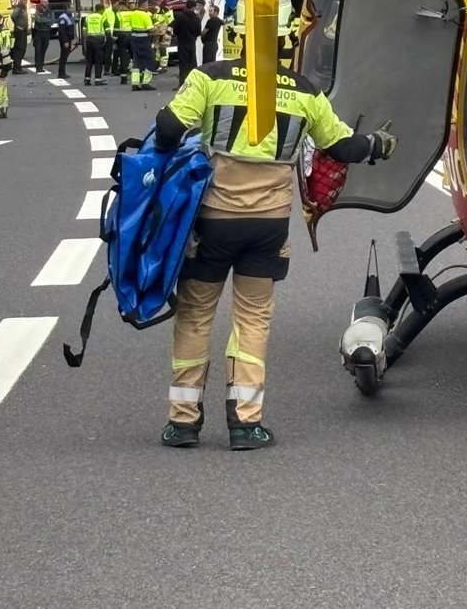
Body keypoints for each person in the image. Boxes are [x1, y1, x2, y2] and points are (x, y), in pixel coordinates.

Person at [152, 54, 398, 449]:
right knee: (252, 319)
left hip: (211, 223)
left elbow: (168, 128)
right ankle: (246, 425)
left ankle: (183, 422)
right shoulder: (303, 90)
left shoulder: (211, 77)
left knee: (196, 314)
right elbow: (341, 146)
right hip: (268, 226)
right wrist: (378, 144)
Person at [172, 0, 203, 88]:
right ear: (194, 7)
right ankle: (193, 83)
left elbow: (176, 30)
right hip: (192, 42)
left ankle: (182, 83)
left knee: (183, 63)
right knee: (192, 62)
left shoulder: (180, 16)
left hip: (182, 42)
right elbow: (198, 32)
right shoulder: (196, 19)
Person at [128, 0, 157, 92]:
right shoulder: (145, 15)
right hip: (143, 40)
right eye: (147, 4)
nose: (148, 6)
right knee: (150, 59)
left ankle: (135, 83)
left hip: (134, 39)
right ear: (144, 4)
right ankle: (146, 83)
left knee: (137, 61)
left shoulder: (133, 14)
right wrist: (157, 28)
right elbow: (151, 29)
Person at [82, 3, 111, 86]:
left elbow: (84, 29)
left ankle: (87, 79)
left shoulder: (88, 17)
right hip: (98, 41)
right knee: (99, 60)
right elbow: (108, 30)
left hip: (89, 40)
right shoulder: (103, 18)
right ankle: (98, 79)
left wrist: (86, 39)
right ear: (102, 10)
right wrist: (109, 41)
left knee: (89, 61)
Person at [114, 0, 136, 84]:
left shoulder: (119, 13)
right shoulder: (134, 14)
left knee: (123, 57)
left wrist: (115, 37)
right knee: (134, 56)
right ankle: (134, 76)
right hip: (132, 36)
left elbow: (115, 27)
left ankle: (123, 78)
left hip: (122, 37)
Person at [32, 0, 55, 73]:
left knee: (44, 49)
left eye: (47, 2)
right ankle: (38, 66)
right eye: (45, 2)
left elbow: (52, 21)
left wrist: (44, 20)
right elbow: (38, 20)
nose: (46, 3)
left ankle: (41, 65)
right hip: (38, 32)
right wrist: (46, 21)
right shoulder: (37, 10)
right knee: (38, 50)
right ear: (41, 2)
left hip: (46, 32)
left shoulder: (50, 11)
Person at [153, 0, 173, 73]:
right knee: (157, 49)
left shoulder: (167, 10)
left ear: (162, 0)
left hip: (164, 33)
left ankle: (163, 66)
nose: (156, 2)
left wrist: (167, 32)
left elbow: (171, 22)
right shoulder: (157, 9)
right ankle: (157, 64)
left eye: (158, 0)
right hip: (157, 33)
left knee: (163, 49)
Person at [10, 0, 30, 72]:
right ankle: (16, 68)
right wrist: (18, 24)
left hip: (24, 30)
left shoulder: (24, 7)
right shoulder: (19, 7)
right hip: (19, 30)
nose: (25, 1)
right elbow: (13, 16)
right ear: (20, 0)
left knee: (23, 49)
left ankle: (19, 67)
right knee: (19, 49)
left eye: (26, 0)